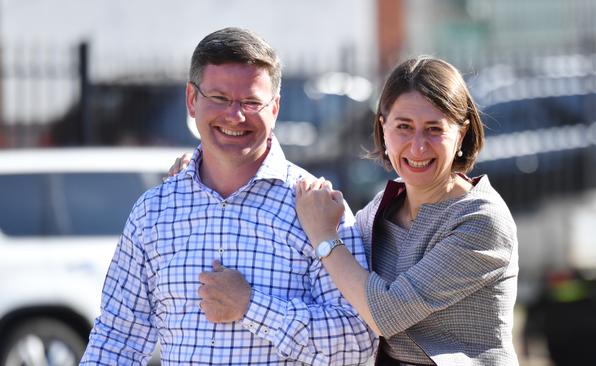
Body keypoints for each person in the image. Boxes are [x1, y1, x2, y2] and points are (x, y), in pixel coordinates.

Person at [80, 27, 375, 365]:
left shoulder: (317, 209)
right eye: (219, 98)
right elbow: (118, 339)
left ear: (275, 108)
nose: (235, 116)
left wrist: (252, 307)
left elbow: (358, 340)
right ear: (192, 100)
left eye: (251, 102)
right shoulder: (155, 211)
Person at [295, 56, 519, 365]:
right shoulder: (379, 209)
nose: (418, 147)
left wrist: (324, 236)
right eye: (404, 127)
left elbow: (384, 314)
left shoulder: (480, 219)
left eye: (433, 129)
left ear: (462, 134)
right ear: (383, 128)